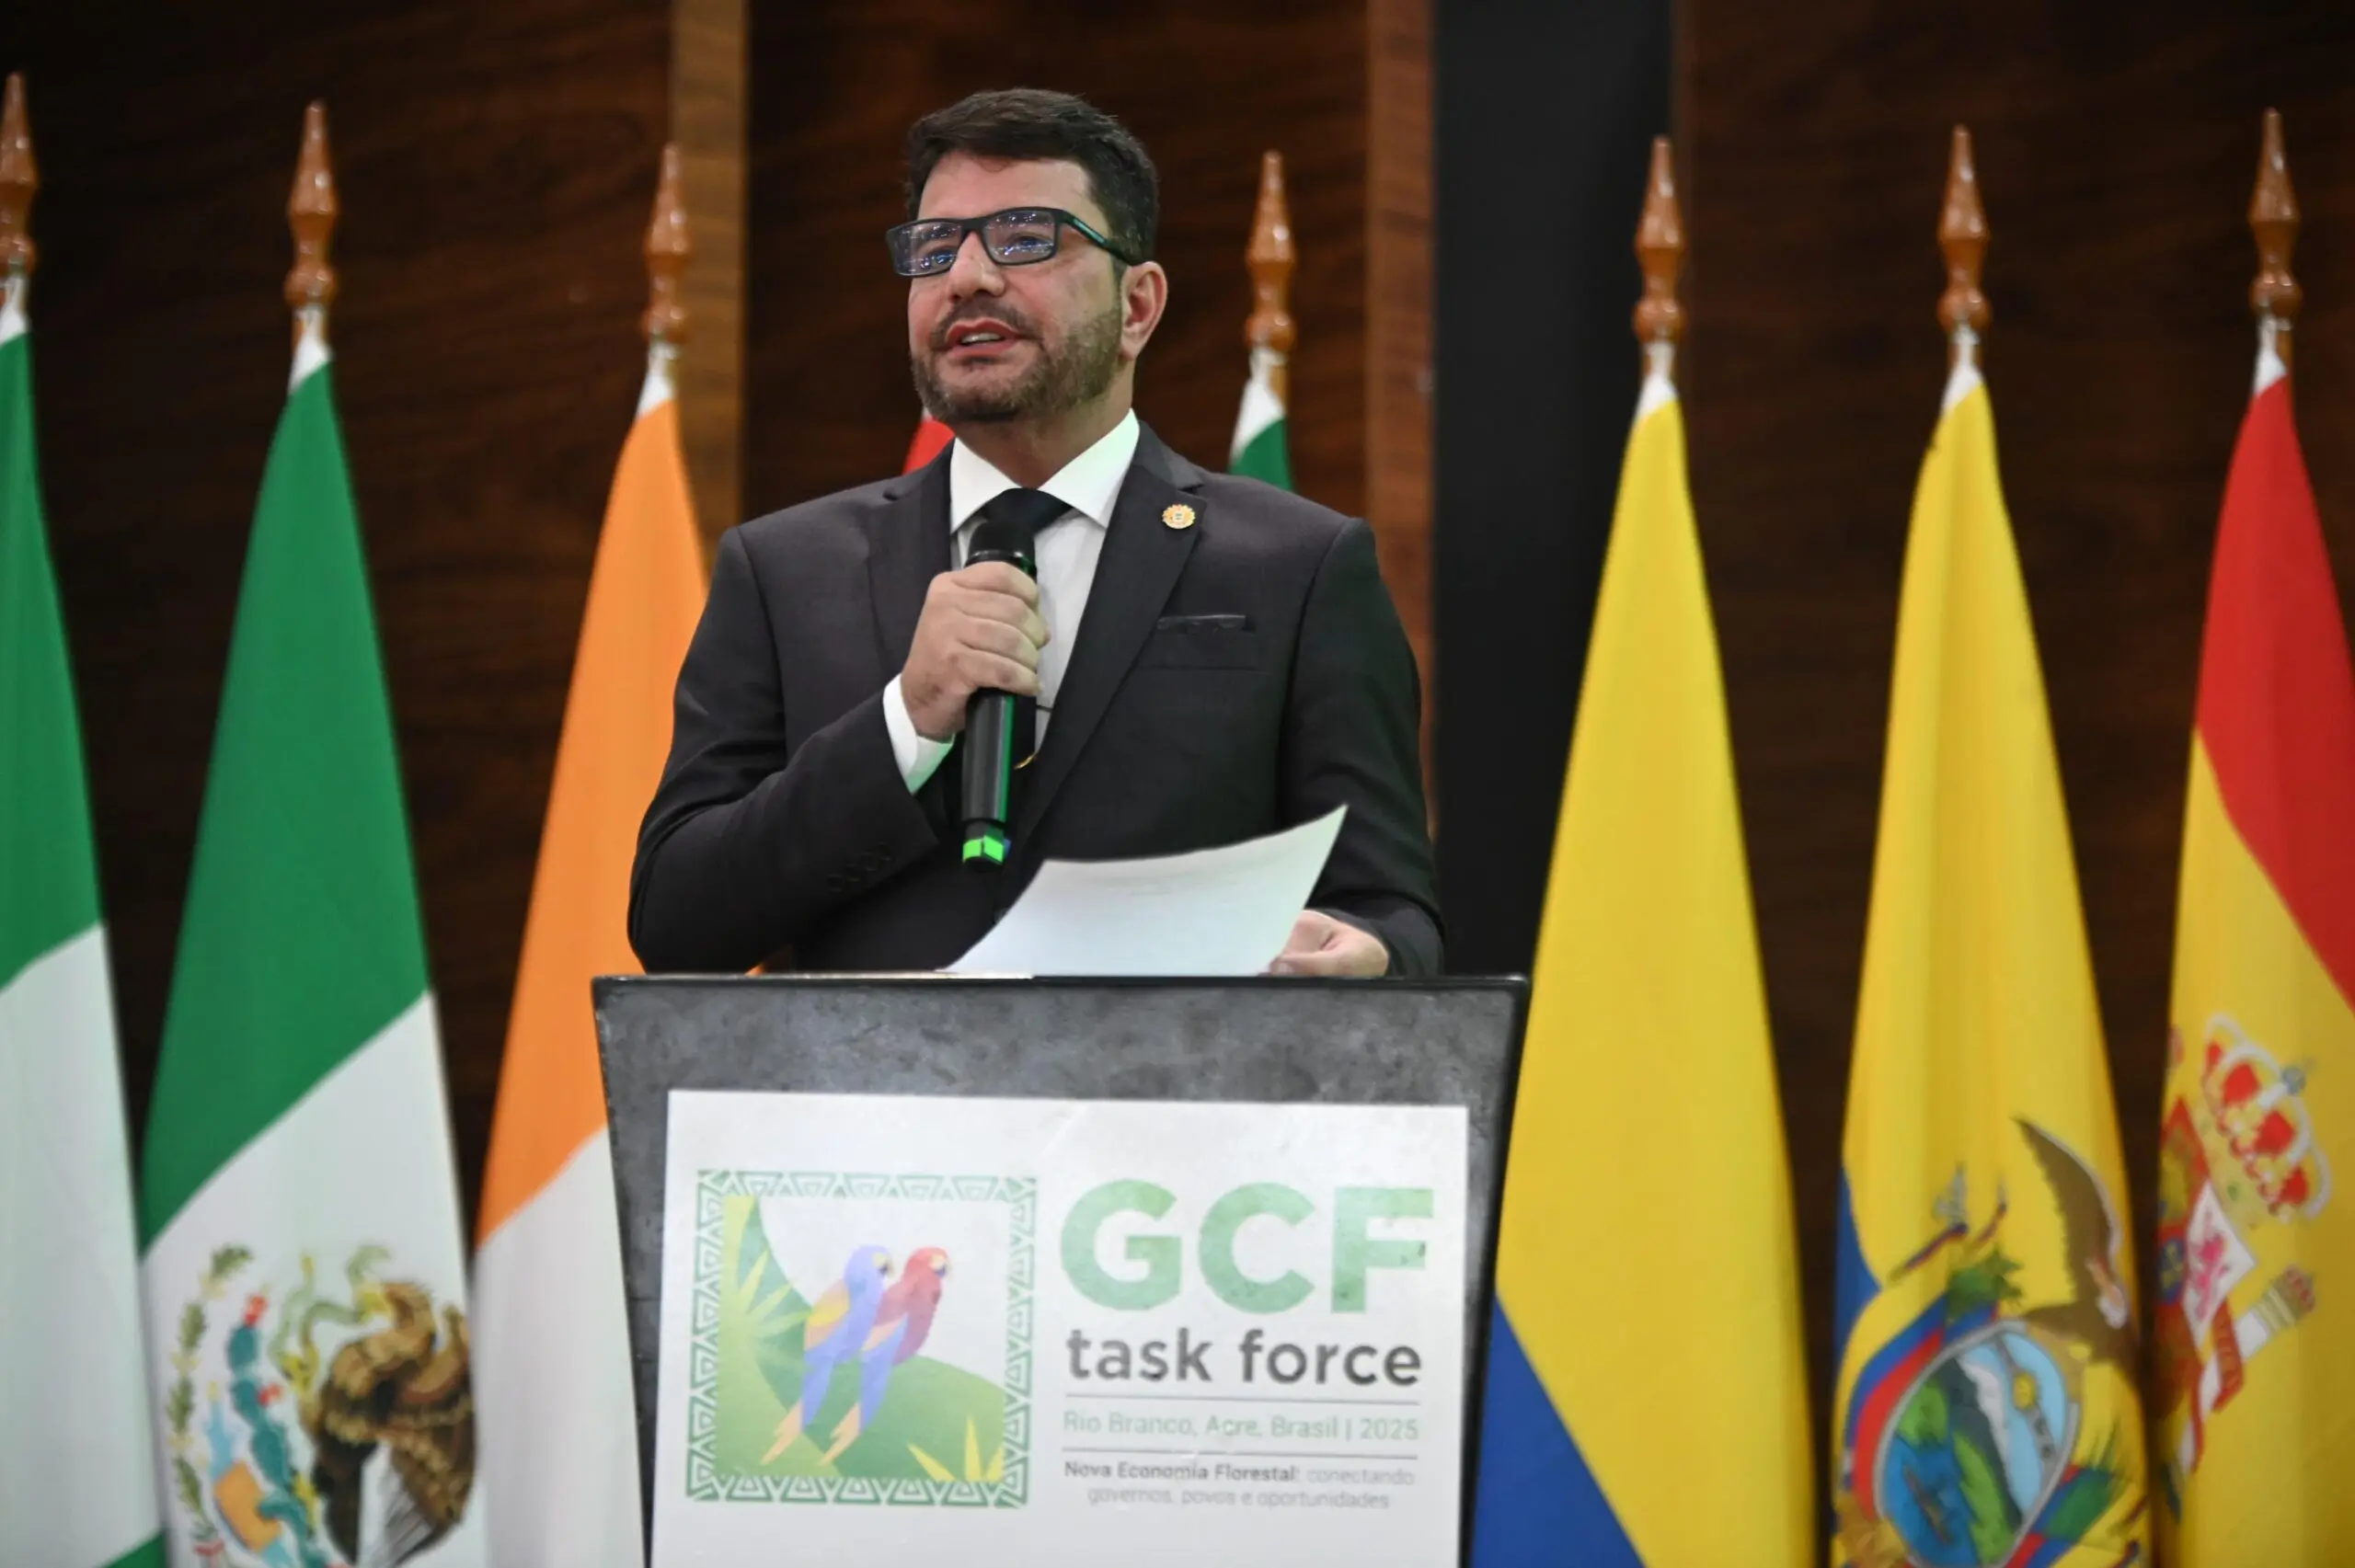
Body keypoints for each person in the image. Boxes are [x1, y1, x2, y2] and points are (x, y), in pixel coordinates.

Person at [629, 88, 1439, 977]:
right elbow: (675, 919)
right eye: (935, 247)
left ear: (1138, 306)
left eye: (1025, 238)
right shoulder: (785, 570)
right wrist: (905, 724)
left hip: (1168, 1070)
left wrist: (1368, 953)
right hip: (876, 1073)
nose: (968, 277)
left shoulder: (1299, 567)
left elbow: (1390, 910)